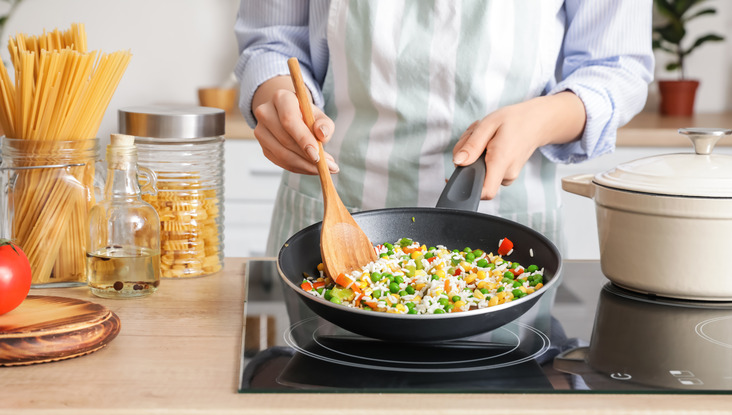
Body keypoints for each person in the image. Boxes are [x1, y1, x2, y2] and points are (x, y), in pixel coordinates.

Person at [234, 0, 654, 257]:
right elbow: (273, 42)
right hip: (336, 211)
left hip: (505, 218)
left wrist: (541, 120)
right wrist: (278, 99)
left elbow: (616, 67)